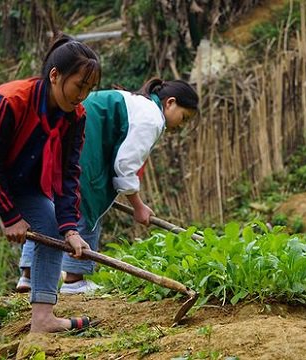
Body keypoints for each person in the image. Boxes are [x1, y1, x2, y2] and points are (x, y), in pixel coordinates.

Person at [0, 34, 101, 360]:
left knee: (52, 225)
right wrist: (10, 216)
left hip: (19, 174)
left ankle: (43, 319)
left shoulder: (75, 116)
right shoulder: (11, 100)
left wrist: (71, 229)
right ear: (55, 75)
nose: (82, 95)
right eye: (78, 85)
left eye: (88, 88)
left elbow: (69, 174)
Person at [16, 78, 199, 294]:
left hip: (61, 137)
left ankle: (28, 276)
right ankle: (74, 279)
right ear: (170, 102)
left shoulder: (138, 104)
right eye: (183, 117)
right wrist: (138, 206)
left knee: (51, 204)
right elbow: (125, 165)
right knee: (86, 199)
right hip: (81, 142)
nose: (180, 125)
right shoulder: (152, 118)